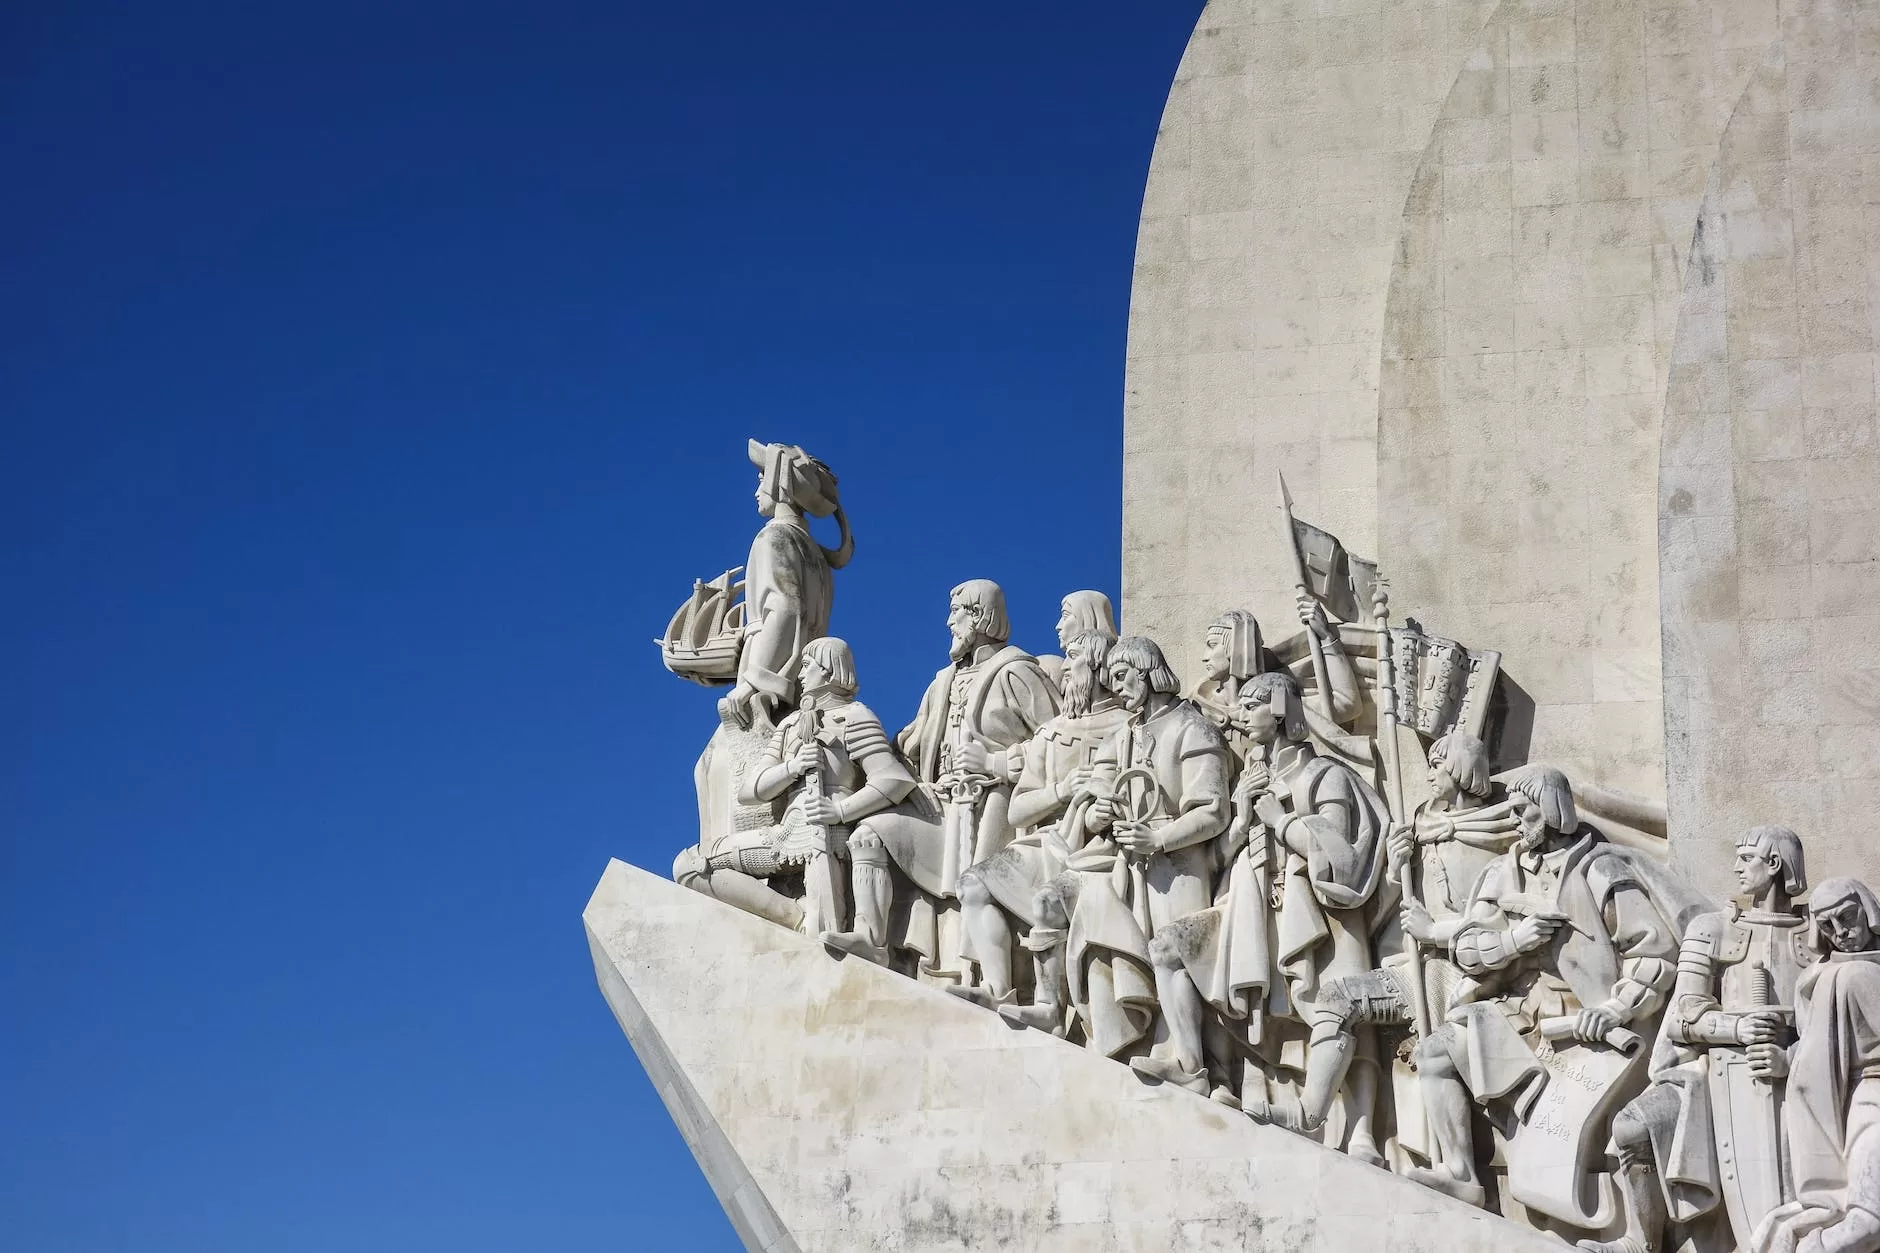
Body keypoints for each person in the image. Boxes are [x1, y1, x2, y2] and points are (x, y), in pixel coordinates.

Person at [1407, 766, 1678, 1213]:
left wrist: (1616, 1008)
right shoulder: (1503, 872)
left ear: (1551, 812)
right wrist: (1515, 940)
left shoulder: (1599, 868)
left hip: (1585, 1017)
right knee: (1435, 1052)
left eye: (1524, 811)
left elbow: (1653, 953)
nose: (1514, 822)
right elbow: (1468, 948)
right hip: (1519, 1007)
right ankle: (1462, 1174)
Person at [1582, 826, 1812, 1253]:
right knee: (1632, 1126)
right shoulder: (1712, 929)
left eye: (1746, 859)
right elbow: (1684, 1015)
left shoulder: (1817, 934)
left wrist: (1793, 1050)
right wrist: (1736, 1028)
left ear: (1774, 865)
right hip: (1709, 1074)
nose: (1736, 868)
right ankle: (1642, 1239)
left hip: (1798, 1070)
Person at [822, 580, 1055, 975]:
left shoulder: (1017, 672)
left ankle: (985, 981)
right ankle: (870, 938)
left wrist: (997, 762)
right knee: (869, 834)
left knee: (976, 893)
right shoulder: (941, 682)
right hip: (938, 803)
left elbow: (1060, 739)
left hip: (992, 808)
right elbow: (908, 742)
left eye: (957, 612)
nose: (950, 622)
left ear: (978, 615)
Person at [1061, 636, 1231, 1090]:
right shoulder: (1125, 735)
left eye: (1122, 676)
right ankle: (1161, 1051)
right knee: (1138, 955)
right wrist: (1097, 811)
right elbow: (1099, 786)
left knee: (1175, 954)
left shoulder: (1193, 729)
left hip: (1179, 865)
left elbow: (1212, 810)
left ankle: (1198, 1066)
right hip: (1131, 865)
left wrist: (1158, 837)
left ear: (1147, 670)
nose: (1116, 688)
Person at [674, 638, 910, 937]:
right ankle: (795, 918)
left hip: (831, 833)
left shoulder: (854, 716)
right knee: (691, 865)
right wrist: (792, 768)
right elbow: (750, 791)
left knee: (825, 935)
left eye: (807, 666)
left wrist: (838, 811)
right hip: (785, 835)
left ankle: (813, 924)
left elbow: (892, 780)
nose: (800, 674)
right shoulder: (790, 725)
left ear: (827, 669)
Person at [951, 629, 1127, 1017]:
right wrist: (1061, 790)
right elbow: (1018, 811)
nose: (1065, 667)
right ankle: (998, 990)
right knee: (974, 884)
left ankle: (1050, 1007)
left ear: (1097, 665)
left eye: (1075, 657)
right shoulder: (1052, 732)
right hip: (1050, 841)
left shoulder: (1128, 727)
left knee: (1048, 901)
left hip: (1102, 848)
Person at [1750, 878, 1880, 1253]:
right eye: (1826, 925)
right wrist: (1787, 1059)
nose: (1841, 932)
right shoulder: (1828, 977)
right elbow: (1817, 1044)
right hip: (1865, 1098)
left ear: (1867, 910)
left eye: (1847, 916)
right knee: (1867, 1223)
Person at [1036, 590, 1119, 694]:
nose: (1058, 626)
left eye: (1066, 616)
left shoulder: (1119, 664)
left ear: (1089, 616)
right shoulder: (1060, 671)